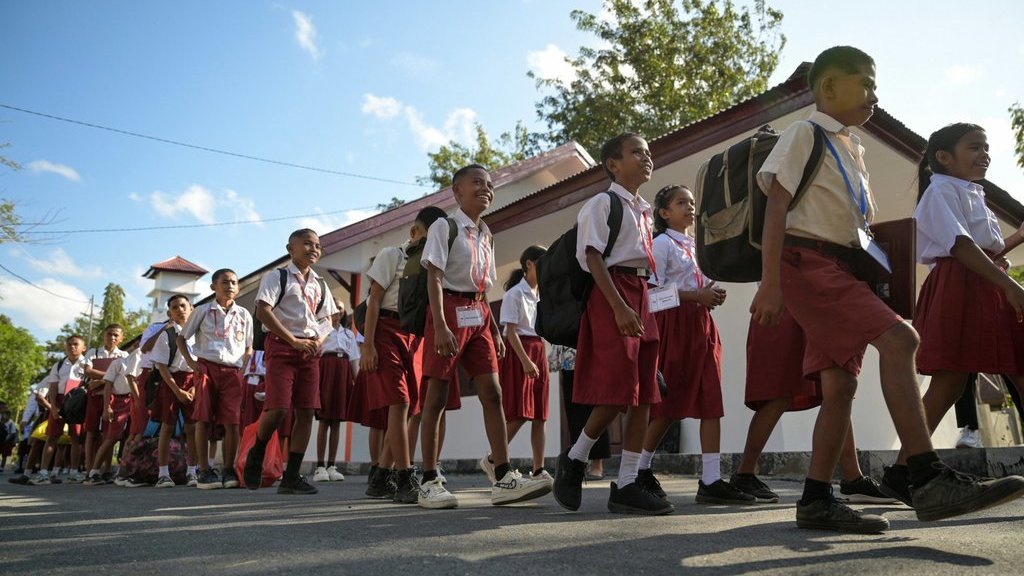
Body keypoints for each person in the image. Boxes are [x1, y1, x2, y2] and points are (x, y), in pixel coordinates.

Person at [750, 45, 1024, 533]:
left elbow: (856, 225)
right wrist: (770, 283)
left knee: (840, 386)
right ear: (830, 88)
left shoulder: (854, 150)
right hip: (808, 261)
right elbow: (776, 205)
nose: (876, 95)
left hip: (842, 269)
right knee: (902, 341)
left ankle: (815, 500)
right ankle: (927, 475)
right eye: (868, 84)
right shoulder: (804, 133)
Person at [881, 123, 1024, 502]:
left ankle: (898, 472)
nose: (985, 154)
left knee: (1014, 368)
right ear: (943, 157)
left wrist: (1011, 250)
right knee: (950, 381)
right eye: (974, 147)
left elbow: (983, 249)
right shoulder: (940, 191)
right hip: (962, 287)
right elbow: (960, 246)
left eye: (987, 148)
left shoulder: (971, 191)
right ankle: (899, 471)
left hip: (984, 282)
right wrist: (1009, 286)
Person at [417, 164, 550, 509]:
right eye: (477, 182)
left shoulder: (487, 234)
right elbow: (433, 277)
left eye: (490, 185)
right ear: (457, 190)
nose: (486, 189)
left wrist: (493, 331)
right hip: (448, 311)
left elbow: (481, 288)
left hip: (478, 315)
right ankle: (429, 479)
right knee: (437, 395)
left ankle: (503, 475)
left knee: (493, 392)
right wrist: (442, 325)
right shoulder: (444, 227)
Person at [553, 133, 672, 515]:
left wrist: (643, 299)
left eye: (649, 152)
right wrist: (620, 306)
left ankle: (626, 483)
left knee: (646, 393)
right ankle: (575, 458)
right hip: (612, 293)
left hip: (641, 292)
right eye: (637, 152)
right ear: (612, 163)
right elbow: (591, 256)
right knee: (620, 389)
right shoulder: (602, 203)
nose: (647, 158)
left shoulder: (644, 210)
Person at [637, 184, 752, 505]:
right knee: (668, 404)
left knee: (710, 398)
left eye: (691, 202)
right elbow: (648, 297)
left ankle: (711, 478)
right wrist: (693, 296)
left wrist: (709, 294)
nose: (690, 207)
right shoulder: (660, 245)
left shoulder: (695, 245)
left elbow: (697, 283)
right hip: (674, 326)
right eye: (681, 203)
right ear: (664, 213)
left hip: (702, 325)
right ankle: (640, 468)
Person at [732, 309, 895, 504]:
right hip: (783, 309)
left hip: (816, 310)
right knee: (778, 393)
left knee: (835, 390)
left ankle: (853, 478)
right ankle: (744, 474)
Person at [361, 206, 447, 503]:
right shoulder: (392, 255)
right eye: (427, 235)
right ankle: (405, 476)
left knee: (410, 408)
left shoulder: (432, 264)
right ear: (414, 232)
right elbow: (373, 301)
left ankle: (381, 478)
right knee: (399, 403)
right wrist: (368, 345)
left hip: (413, 335)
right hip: (384, 330)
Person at [244, 228, 339, 495]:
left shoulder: (320, 283)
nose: (314, 249)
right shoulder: (278, 276)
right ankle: (258, 450)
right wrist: (292, 340)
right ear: (291, 248)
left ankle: (291, 476)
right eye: (307, 244)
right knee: (279, 409)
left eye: (317, 245)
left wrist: (317, 342)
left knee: (307, 411)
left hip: (309, 349)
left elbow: (326, 320)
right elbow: (263, 311)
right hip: (282, 346)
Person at [178, 268, 253, 490]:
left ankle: (228, 469)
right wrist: (193, 365)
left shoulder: (244, 315)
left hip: (232, 371)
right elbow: (182, 339)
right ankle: (204, 471)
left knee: (232, 421)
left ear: (238, 288)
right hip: (206, 368)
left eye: (233, 282)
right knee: (203, 419)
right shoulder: (201, 311)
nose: (229, 286)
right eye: (224, 282)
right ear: (213, 287)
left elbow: (249, 347)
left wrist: (242, 369)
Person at [491, 245, 552, 483]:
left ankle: (538, 469)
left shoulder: (540, 295)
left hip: (538, 350)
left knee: (540, 414)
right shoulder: (514, 294)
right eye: (542, 263)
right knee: (521, 412)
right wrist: (526, 361)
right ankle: (493, 458)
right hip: (521, 353)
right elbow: (510, 332)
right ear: (529, 264)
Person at [152, 294, 198, 488]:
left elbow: (203, 363)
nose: (180, 310)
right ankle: (163, 473)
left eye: (183, 305)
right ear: (169, 312)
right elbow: (161, 366)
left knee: (193, 428)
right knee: (167, 427)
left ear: (191, 308)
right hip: (171, 382)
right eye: (174, 307)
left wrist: (194, 387)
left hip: (194, 381)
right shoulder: (167, 334)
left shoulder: (200, 333)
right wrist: (177, 390)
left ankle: (193, 471)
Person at [313, 300, 358, 483]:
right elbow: (316, 353)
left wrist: (358, 383)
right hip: (326, 370)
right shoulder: (321, 329)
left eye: (340, 308)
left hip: (343, 372)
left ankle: (332, 465)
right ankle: (320, 466)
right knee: (324, 420)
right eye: (334, 308)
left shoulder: (348, 334)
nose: (336, 311)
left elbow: (354, 359)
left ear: (343, 312)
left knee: (337, 421)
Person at [549, 345, 609, 480]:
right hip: (568, 353)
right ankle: (578, 463)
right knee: (573, 411)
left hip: (593, 351)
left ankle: (597, 465)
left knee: (596, 406)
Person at [34, 336, 87, 485]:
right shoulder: (59, 365)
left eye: (76, 344)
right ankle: (43, 472)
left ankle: (74, 472)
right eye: (69, 344)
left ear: (84, 347)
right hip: (59, 400)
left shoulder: (87, 364)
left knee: (76, 438)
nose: (72, 347)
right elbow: (53, 386)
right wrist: (53, 408)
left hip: (77, 403)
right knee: (52, 437)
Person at [80, 324, 128, 482]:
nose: (112, 338)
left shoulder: (124, 355)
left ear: (122, 338)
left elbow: (122, 376)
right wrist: (110, 376)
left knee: (109, 433)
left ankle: (107, 469)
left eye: (116, 335)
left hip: (113, 396)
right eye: (109, 334)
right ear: (104, 335)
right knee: (91, 431)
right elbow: (88, 370)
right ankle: (89, 469)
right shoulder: (93, 352)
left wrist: (102, 379)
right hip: (94, 396)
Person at [85, 350, 139, 485]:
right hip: (119, 401)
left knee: (132, 435)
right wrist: (106, 406)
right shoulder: (119, 363)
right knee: (111, 437)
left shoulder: (145, 364)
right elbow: (108, 384)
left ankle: (124, 471)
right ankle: (94, 472)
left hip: (134, 400)